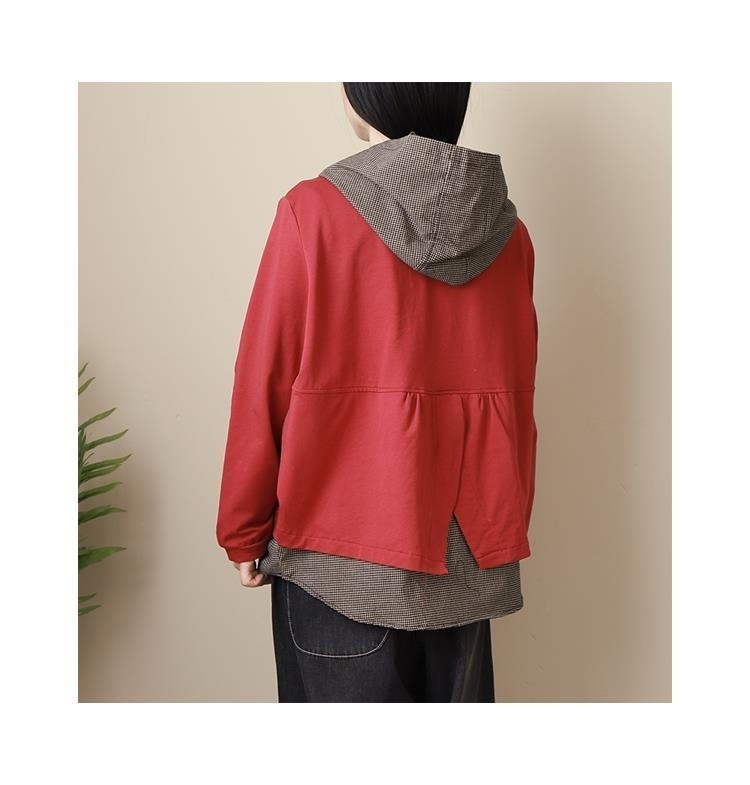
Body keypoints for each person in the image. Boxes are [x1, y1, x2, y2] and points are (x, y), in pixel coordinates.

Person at [215, 83, 539, 702]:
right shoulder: (510, 233)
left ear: (369, 93)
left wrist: (243, 527)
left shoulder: (313, 210)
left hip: (336, 561)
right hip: (468, 560)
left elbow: (265, 379)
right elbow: (517, 399)